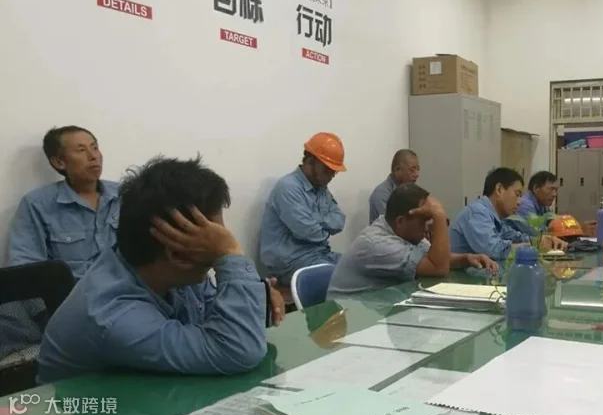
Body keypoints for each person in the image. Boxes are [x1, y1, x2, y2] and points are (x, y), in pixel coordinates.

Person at [37, 156, 284, 384]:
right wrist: (231, 255)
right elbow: (238, 350)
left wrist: (252, 295)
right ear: (177, 254)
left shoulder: (165, 269)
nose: (223, 242)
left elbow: (214, 315)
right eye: (215, 241)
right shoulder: (113, 317)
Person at [2, 126, 119, 362]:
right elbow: (25, 267)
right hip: (65, 305)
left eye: (95, 147)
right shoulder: (38, 204)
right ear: (59, 162)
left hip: (120, 299)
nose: (93, 156)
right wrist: (49, 316)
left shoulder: (126, 196)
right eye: (81, 150)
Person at [329, 184, 496, 295]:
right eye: (425, 218)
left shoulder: (402, 232)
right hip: (348, 319)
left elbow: (433, 259)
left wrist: (465, 258)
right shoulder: (377, 244)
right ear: (401, 221)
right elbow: (438, 268)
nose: (428, 225)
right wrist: (438, 215)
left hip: (377, 310)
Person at [259, 132, 347, 287]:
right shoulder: (288, 187)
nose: (332, 175)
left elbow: (339, 220)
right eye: (327, 169)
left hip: (319, 255)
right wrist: (324, 225)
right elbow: (309, 232)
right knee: (339, 278)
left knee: (359, 267)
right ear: (311, 160)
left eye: (334, 171)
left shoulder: (321, 188)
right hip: (290, 263)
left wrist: (316, 221)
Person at [451, 168, 566, 261]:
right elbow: (494, 250)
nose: (519, 202)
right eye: (517, 194)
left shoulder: (497, 217)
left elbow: (514, 235)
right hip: (458, 279)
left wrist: (542, 240)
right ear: (499, 189)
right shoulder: (477, 212)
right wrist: (534, 245)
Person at [369, 149, 420, 224]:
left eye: (418, 169)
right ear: (397, 170)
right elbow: (390, 227)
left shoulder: (411, 191)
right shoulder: (381, 195)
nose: (417, 174)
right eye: (412, 170)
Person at [509, 171, 558, 236]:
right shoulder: (524, 205)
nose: (554, 194)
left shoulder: (543, 204)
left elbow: (555, 224)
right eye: (551, 189)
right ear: (536, 188)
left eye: (556, 190)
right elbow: (538, 234)